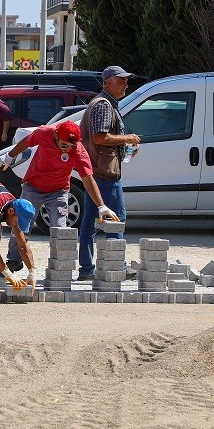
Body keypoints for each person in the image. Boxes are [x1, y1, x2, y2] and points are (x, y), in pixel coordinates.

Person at [0, 120, 120, 272]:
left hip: (58, 192)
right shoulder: (44, 133)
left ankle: (59, 267)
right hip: (33, 187)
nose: (68, 149)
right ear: (56, 136)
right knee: (20, 226)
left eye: (71, 146)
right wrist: (9, 156)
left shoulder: (78, 151)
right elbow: (26, 142)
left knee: (60, 230)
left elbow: (87, 178)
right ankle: (14, 260)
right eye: (64, 145)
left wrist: (101, 206)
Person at [76, 65, 141, 280]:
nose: (125, 84)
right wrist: (127, 138)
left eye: (126, 80)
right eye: (121, 80)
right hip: (104, 172)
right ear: (107, 82)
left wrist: (125, 146)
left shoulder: (107, 104)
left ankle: (86, 269)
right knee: (116, 218)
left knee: (89, 222)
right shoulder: (103, 105)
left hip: (97, 170)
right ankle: (116, 267)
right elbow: (99, 137)